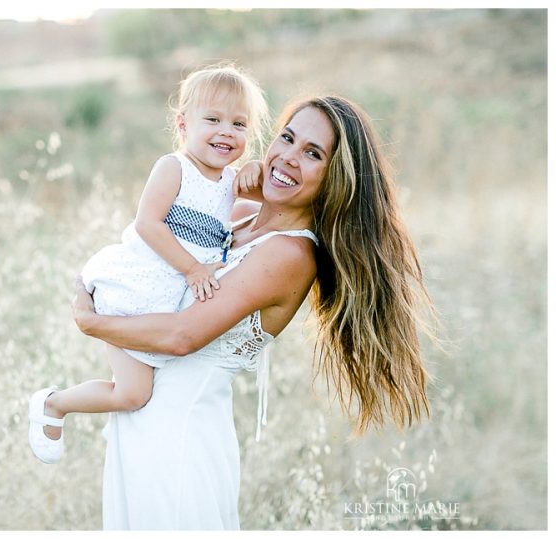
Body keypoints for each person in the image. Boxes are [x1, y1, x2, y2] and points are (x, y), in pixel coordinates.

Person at [70, 95, 434, 529]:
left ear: (335, 178)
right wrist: (252, 180)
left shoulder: (290, 254)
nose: (289, 157)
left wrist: (92, 323)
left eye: (313, 153)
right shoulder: (239, 216)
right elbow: (159, 246)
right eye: (287, 138)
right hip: (139, 422)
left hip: (181, 438)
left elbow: (182, 337)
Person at [28, 63, 269, 464]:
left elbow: (275, 199)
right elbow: (147, 224)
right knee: (133, 394)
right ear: (183, 124)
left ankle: (120, 430)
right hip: (134, 291)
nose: (226, 131)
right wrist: (193, 269)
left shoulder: (231, 182)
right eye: (213, 120)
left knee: (150, 393)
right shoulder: (174, 168)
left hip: (165, 303)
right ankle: (53, 404)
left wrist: (257, 170)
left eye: (239, 124)